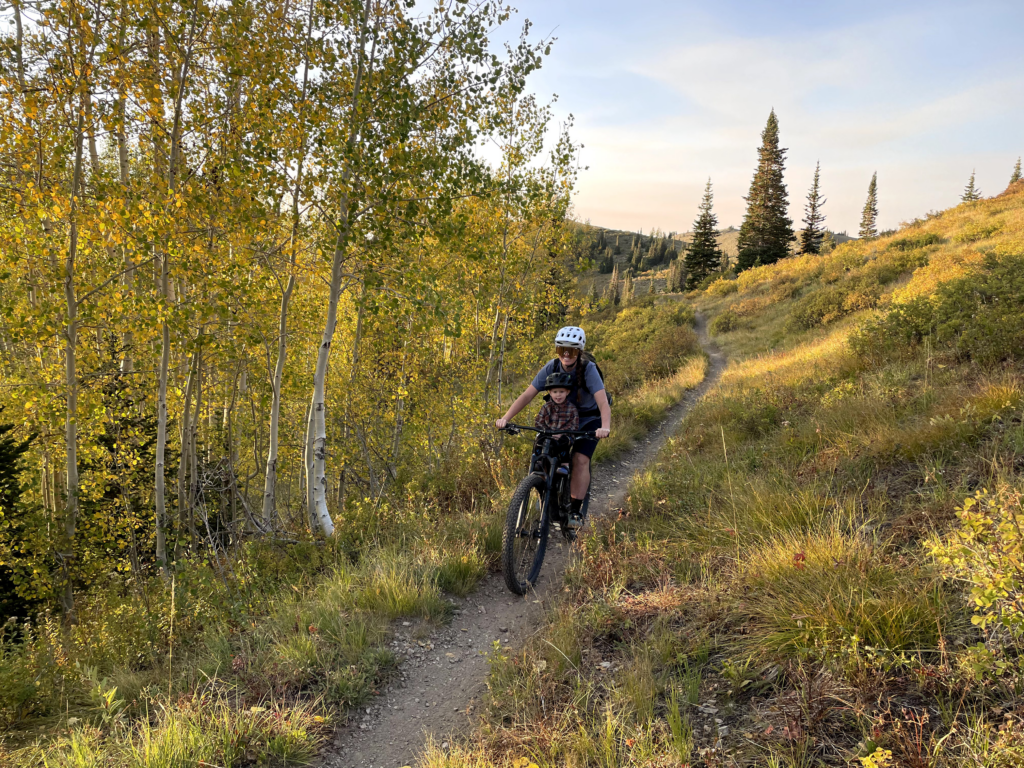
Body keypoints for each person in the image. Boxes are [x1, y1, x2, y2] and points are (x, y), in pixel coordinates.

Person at [496, 326, 611, 528]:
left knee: (580, 459)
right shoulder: (551, 366)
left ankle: (575, 510)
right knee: (544, 451)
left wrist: (605, 426)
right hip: (559, 417)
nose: (566, 355)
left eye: (572, 351)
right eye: (561, 350)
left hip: (589, 419)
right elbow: (527, 395)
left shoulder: (588, 369)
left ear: (579, 352)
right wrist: (506, 418)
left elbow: (602, 402)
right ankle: (547, 493)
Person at [534, 371, 579, 468]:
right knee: (538, 439)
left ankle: (564, 464)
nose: (558, 395)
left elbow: (574, 426)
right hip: (547, 434)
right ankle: (538, 460)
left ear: (567, 392)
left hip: (563, 435)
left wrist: (561, 433)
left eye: (561, 392)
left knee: (564, 442)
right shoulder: (546, 407)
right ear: (550, 392)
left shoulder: (572, 409)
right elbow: (538, 422)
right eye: (555, 392)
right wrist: (546, 431)